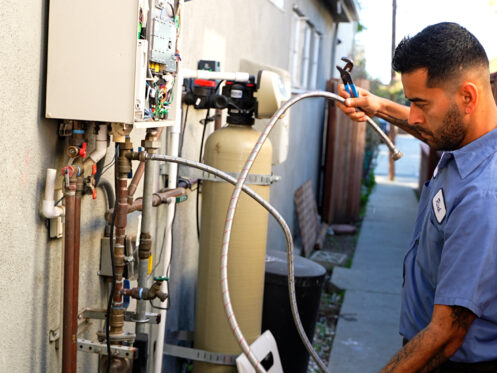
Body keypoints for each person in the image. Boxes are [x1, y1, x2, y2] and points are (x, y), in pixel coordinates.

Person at [337, 22, 497, 372]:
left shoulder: (484, 196)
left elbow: (447, 335)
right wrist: (378, 106)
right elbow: (434, 130)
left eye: (420, 103)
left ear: (468, 97)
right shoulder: (469, 143)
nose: (413, 116)